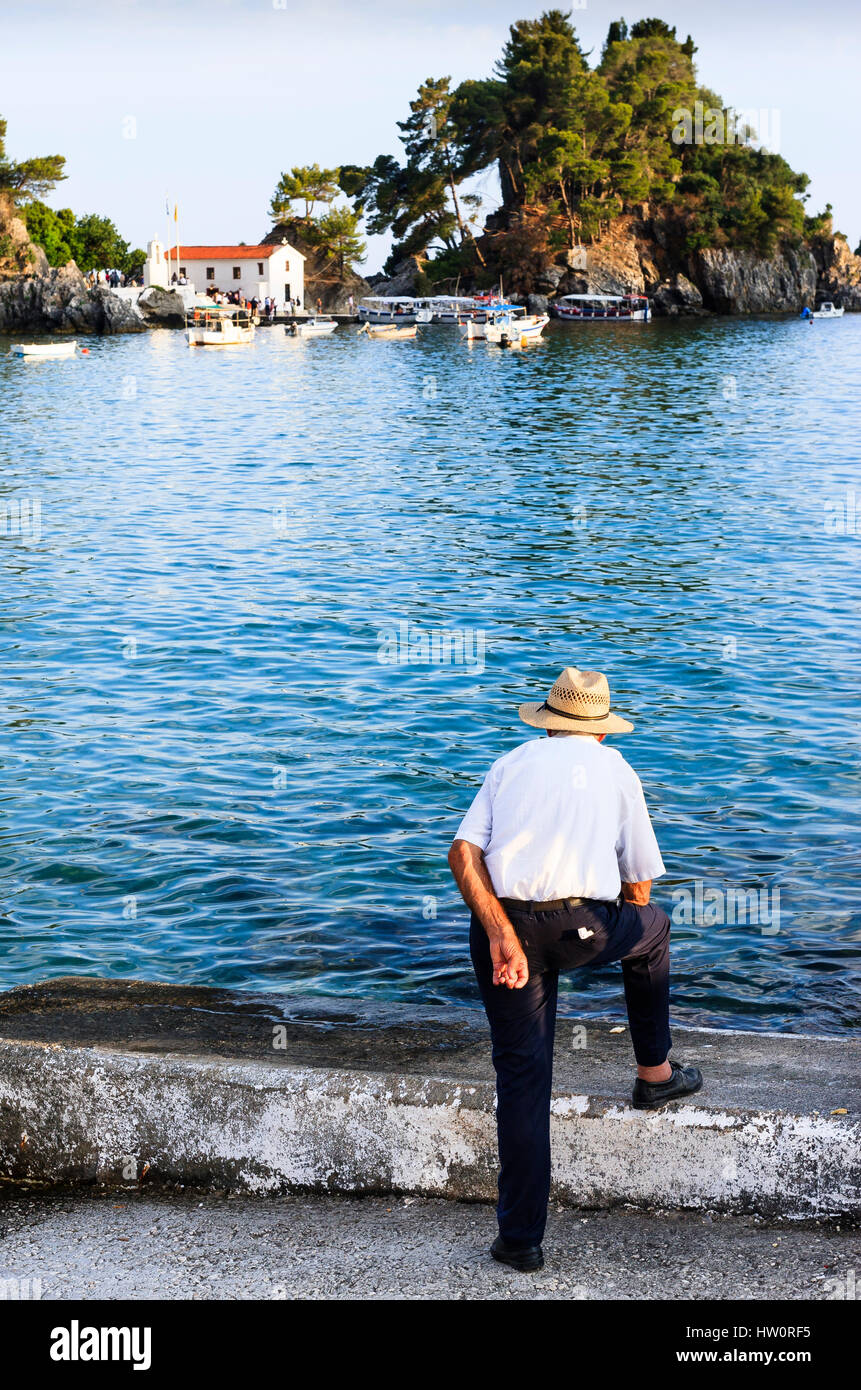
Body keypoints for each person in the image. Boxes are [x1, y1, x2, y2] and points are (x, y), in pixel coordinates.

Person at [448, 665, 702, 1273]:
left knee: (524, 1078)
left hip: (501, 933)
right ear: (602, 731)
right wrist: (608, 913)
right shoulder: (616, 771)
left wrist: (503, 931)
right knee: (655, 930)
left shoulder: (510, 762)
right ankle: (655, 1073)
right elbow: (640, 884)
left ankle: (520, 1241)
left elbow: (463, 852)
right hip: (580, 928)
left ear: (548, 722)